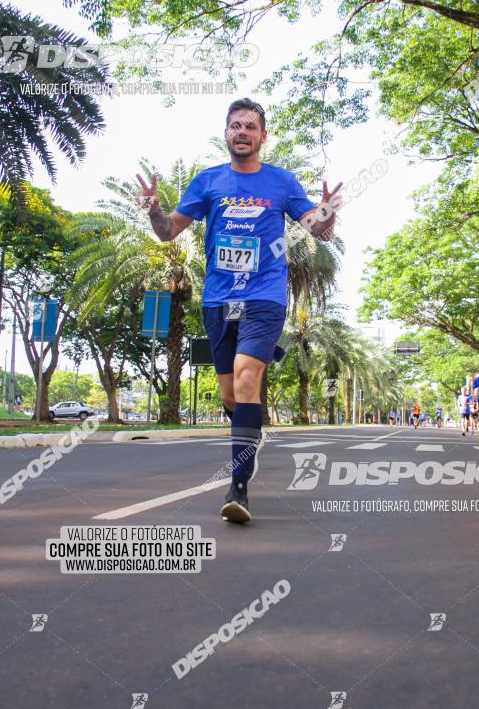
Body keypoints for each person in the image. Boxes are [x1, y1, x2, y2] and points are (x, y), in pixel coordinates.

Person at [137, 98, 342, 523]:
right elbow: (168, 232)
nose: (242, 132)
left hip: (264, 296)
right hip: (218, 299)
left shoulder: (281, 182)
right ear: (226, 133)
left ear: (263, 136)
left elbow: (316, 230)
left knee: (248, 377)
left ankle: (239, 487)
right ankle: (249, 432)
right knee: (231, 395)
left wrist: (327, 216)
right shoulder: (207, 181)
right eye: (235, 126)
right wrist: (156, 210)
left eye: (251, 126)